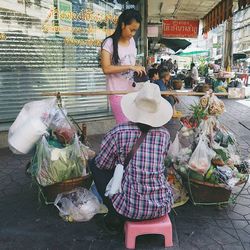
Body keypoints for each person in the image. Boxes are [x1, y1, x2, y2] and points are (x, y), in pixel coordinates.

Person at [89, 84, 173, 233]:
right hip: (162, 206)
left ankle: (114, 213)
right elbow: (161, 161)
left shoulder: (119, 132)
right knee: (161, 170)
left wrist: (118, 163)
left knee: (94, 165)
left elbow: (103, 164)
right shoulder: (165, 135)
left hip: (130, 209)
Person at [101, 9, 146, 124]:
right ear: (122, 25)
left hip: (133, 91)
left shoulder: (132, 42)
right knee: (124, 126)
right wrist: (130, 67)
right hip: (117, 93)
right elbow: (106, 68)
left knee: (135, 125)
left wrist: (137, 67)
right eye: (131, 30)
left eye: (135, 31)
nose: (133, 34)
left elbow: (130, 62)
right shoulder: (109, 43)